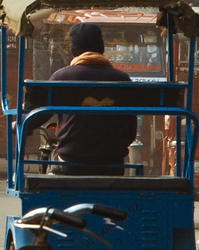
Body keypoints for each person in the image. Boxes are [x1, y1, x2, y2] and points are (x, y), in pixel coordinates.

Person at [30, 22, 137, 176]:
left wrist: (18, 123)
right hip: (113, 165)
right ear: (101, 47)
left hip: (71, 163)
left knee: (53, 160)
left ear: (73, 49)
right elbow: (131, 132)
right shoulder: (122, 79)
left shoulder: (62, 77)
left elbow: (38, 116)